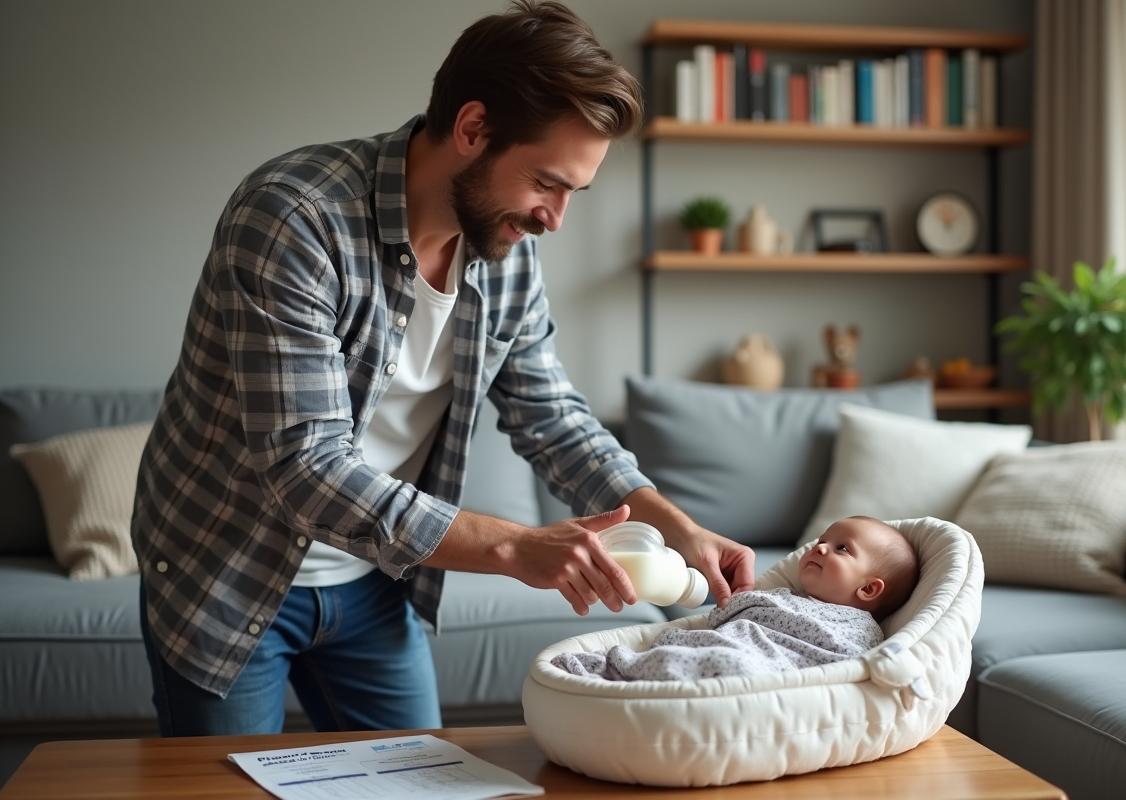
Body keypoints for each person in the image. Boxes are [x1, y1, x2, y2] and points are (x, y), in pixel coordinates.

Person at [131, 0, 755, 738]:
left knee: (420, 784)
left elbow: (552, 417)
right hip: (225, 574)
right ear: (472, 129)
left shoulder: (509, 250)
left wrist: (677, 527)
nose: (555, 218)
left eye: (571, 193)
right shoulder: (293, 217)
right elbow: (305, 463)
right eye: (547, 182)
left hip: (375, 579)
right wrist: (517, 546)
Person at [552, 516, 919, 681]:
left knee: (729, 665)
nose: (820, 547)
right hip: (729, 645)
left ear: (868, 589)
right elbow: (727, 620)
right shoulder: (780, 595)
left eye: (841, 548)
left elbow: (848, 666)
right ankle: (620, 670)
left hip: (754, 666)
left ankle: (625, 675)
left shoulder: (861, 629)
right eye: (822, 538)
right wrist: (743, 602)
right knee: (683, 646)